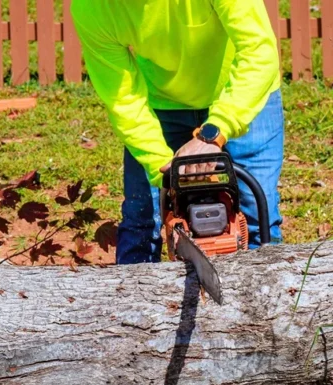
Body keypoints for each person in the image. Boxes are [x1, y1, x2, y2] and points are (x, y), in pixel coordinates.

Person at [71, 0, 284, 264]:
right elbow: (123, 98)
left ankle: (269, 299)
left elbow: (258, 52)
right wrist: (159, 163)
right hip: (161, 103)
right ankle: (132, 302)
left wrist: (214, 132)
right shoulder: (91, 7)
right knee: (141, 221)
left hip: (244, 92)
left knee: (258, 217)